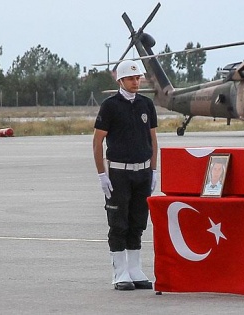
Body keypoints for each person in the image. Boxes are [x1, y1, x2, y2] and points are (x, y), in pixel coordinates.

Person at [92, 59, 159, 291]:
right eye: (131, 78)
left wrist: (154, 169)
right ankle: (119, 272)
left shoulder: (146, 104)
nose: (136, 81)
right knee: (118, 223)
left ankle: (135, 269)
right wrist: (102, 174)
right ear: (120, 80)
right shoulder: (110, 106)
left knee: (138, 222)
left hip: (142, 172)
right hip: (119, 173)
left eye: (138, 77)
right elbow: (98, 141)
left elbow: (153, 139)